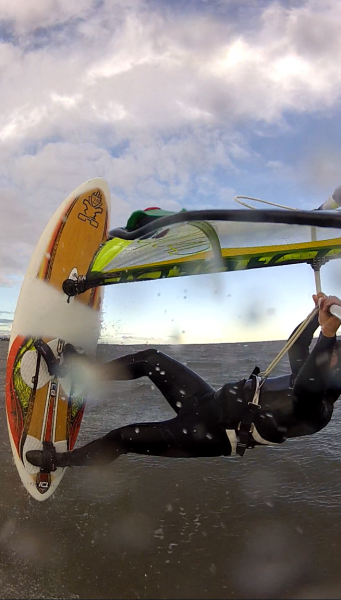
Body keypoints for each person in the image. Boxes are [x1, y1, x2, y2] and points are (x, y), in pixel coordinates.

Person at [26, 293, 341, 472]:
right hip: (206, 403)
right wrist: (317, 315)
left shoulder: (319, 411)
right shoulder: (312, 373)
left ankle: (56, 461)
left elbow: (306, 387)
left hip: (211, 435)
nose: (331, 353)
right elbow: (298, 345)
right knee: (151, 359)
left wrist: (327, 335)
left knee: (122, 437)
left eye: (335, 354)